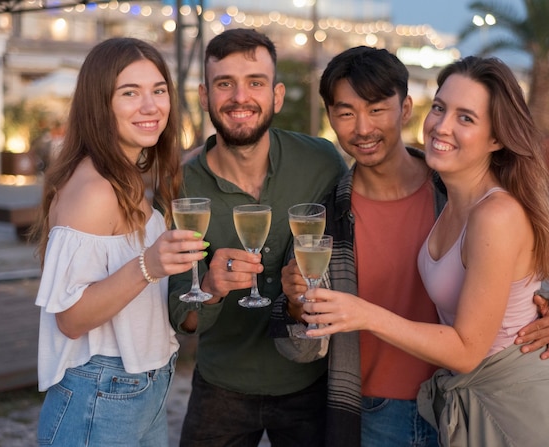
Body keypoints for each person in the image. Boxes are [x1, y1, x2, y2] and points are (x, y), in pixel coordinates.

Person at [271, 47, 549, 446]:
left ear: (405, 109)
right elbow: (300, 348)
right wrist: (295, 304)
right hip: (374, 412)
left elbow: (516, 283)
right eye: (346, 113)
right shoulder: (325, 215)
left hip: (465, 405)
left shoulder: (456, 191)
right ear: (330, 117)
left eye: (377, 109)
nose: (363, 128)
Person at [167, 28, 348, 446]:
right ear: (204, 96)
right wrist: (211, 287)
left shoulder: (320, 161)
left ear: (277, 96)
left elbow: (361, 238)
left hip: (311, 383)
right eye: (224, 83)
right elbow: (185, 318)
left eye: (255, 83)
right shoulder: (181, 187)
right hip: (221, 388)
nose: (239, 97)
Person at [31, 37, 208, 446]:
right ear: (100, 103)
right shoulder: (94, 190)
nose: (151, 106)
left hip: (141, 389)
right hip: (102, 393)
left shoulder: (126, 177)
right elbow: (70, 319)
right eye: (130, 93)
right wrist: (149, 265)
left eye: (158, 90)